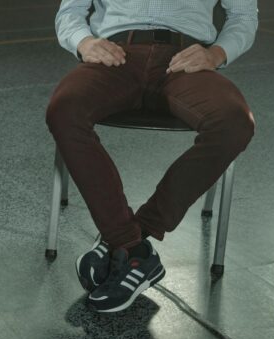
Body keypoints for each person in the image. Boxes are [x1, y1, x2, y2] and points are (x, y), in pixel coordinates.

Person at [46, 0, 257, 313]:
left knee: (234, 123)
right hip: (115, 57)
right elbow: (70, 12)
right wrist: (84, 42)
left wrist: (215, 54)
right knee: (65, 110)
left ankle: (129, 235)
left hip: (186, 61)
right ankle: (133, 249)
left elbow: (244, 14)